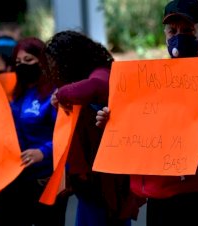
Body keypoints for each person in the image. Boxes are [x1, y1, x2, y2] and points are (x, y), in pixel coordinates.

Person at [96, 1, 198, 226]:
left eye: (188, 30)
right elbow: (144, 138)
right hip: (163, 201)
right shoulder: (154, 80)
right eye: (173, 31)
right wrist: (113, 124)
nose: (179, 36)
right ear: (165, 34)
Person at [43, 30, 145, 226]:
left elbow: (96, 86)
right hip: (93, 178)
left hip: (105, 179)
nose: (54, 70)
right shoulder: (91, 74)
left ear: (70, 60)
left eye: (57, 64)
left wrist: (61, 94)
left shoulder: (101, 73)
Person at [0, 37, 69, 226]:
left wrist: (43, 152)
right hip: (16, 178)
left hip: (47, 178)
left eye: (29, 60)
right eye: (18, 62)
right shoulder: (13, 91)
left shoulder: (55, 93)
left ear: (42, 60)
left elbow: (66, 134)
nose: (23, 66)